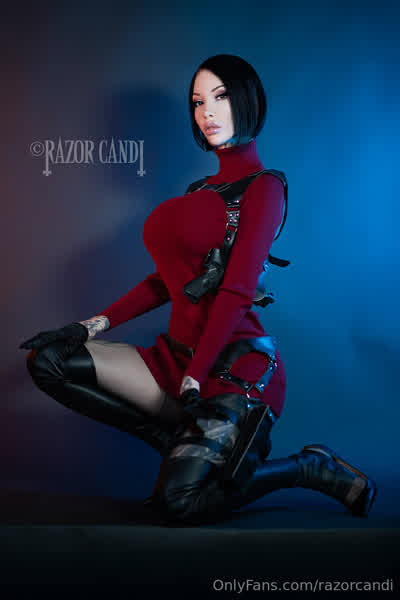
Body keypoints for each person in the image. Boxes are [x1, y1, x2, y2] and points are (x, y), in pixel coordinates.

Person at [20, 54, 377, 525]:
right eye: (197, 102)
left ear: (247, 101)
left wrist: (197, 374)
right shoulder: (197, 191)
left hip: (235, 370)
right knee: (49, 360)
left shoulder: (265, 188)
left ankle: (307, 468)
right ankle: (179, 446)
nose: (207, 112)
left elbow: (238, 291)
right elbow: (164, 283)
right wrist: (89, 327)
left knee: (179, 504)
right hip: (176, 360)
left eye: (220, 97)